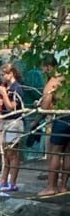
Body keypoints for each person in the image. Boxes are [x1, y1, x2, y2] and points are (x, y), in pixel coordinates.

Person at [37, 56, 67, 195]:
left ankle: (51, 187)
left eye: (43, 67)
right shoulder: (66, 78)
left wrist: (35, 121)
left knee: (55, 152)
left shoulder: (53, 82)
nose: (42, 71)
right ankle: (63, 187)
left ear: (49, 67)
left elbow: (45, 107)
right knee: (68, 153)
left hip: (61, 118)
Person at [0, 63, 25, 192]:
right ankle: (3, 180)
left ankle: (12, 182)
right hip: (4, 121)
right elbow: (2, 107)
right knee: (5, 153)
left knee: (13, 154)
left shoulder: (17, 88)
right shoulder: (5, 87)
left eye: (3, 75)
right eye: (0, 75)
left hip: (14, 122)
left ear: (10, 74)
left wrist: (4, 95)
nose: (1, 77)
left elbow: (11, 107)